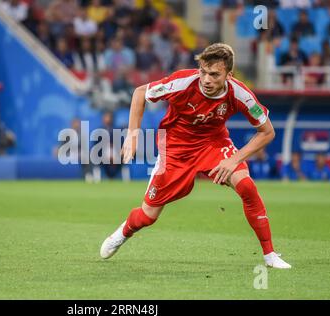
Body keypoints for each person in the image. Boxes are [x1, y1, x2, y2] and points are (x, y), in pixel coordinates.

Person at [100, 43, 292, 269]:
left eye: (214, 74)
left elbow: (267, 131)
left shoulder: (239, 93)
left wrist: (234, 159)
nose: (206, 79)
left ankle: (269, 255)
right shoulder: (182, 82)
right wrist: (133, 135)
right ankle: (123, 232)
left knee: (247, 187)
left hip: (213, 144)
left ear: (229, 75)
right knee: (148, 215)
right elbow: (140, 92)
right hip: (176, 148)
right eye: (203, 71)